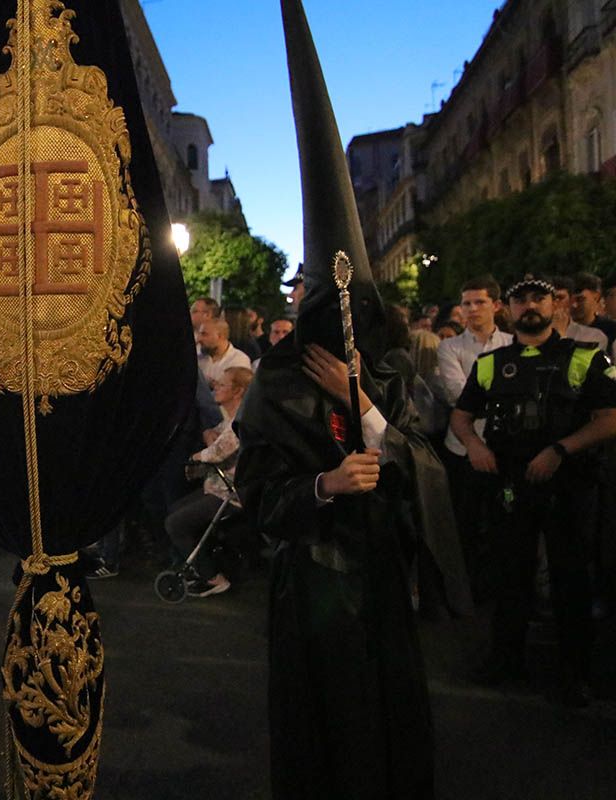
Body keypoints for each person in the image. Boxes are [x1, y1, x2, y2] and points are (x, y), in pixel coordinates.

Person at [236, 4, 468, 796]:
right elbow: (258, 497)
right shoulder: (273, 385)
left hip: (378, 581)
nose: (346, 342)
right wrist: (322, 486)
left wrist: (365, 400)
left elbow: (425, 467)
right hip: (311, 586)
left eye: (359, 328)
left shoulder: (392, 374)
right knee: (323, 734)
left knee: (388, 732)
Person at [451, 275, 616, 707]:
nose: (530, 305)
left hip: (570, 484)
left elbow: (609, 417)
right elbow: (462, 415)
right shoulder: (491, 362)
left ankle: (574, 671)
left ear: (553, 304)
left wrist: (561, 450)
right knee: (511, 575)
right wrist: (475, 447)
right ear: (509, 306)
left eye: (538, 297)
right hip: (511, 483)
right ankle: (507, 659)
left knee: (571, 579)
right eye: (521, 298)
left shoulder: (584, 356)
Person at [436, 275, 513, 591]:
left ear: (495, 305)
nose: (471, 309)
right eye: (466, 303)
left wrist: (479, 397)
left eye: (479, 302)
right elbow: (456, 393)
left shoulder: (512, 344)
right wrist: (502, 395)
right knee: (465, 521)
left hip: (504, 445)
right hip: (462, 448)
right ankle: (469, 587)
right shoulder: (449, 346)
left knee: (503, 520)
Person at [165, 365, 254, 597]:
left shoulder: (243, 420)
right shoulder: (232, 418)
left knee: (175, 523)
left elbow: (217, 452)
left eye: (222, 385)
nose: (215, 387)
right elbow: (215, 438)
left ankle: (214, 577)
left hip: (230, 495)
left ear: (238, 391)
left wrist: (197, 456)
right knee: (175, 510)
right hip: (216, 487)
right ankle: (204, 566)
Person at [551, 275, 608, 352]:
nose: (555, 303)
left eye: (560, 298)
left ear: (571, 301)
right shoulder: (534, 331)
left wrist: (561, 336)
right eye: (552, 298)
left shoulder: (593, 336)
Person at [197, 318, 252, 390]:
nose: (199, 339)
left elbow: (234, 391)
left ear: (220, 336)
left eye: (204, 334)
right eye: (199, 334)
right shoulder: (197, 358)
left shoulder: (239, 360)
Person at [572, 272, 616, 357]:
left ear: (596, 297)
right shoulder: (557, 330)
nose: (574, 305)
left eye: (580, 299)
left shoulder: (611, 330)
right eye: (571, 300)